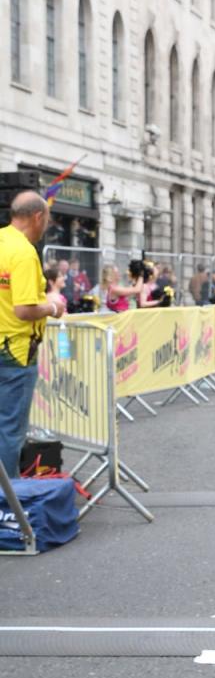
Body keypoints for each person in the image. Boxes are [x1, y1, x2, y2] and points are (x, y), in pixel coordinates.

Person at [0, 192, 65, 477]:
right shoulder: (24, 252)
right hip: (15, 352)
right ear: (38, 217)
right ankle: (6, 504)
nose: (46, 226)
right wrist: (53, 305)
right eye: (47, 220)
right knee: (9, 431)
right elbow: (24, 310)